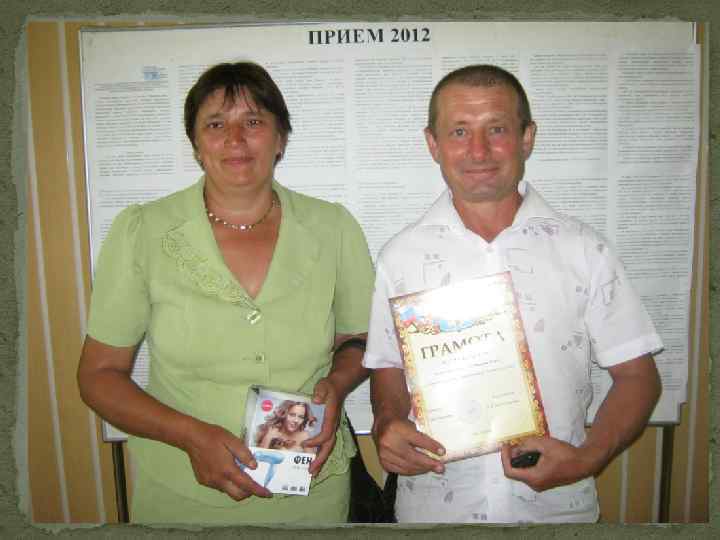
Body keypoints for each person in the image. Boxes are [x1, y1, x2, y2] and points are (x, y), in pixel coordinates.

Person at [363, 64, 663, 523]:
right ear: (433, 144)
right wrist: (387, 419)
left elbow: (639, 377)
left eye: (497, 129)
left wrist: (588, 458)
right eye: (459, 131)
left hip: (557, 512)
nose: (478, 150)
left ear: (527, 138)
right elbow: (388, 366)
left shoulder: (584, 250)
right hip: (432, 510)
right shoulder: (399, 257)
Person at [77, 62, 374, 524]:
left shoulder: (333, 227)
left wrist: (337, 384)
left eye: (253, 121)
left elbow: (360, 339)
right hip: (182, 491)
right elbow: (98, 376)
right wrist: (189, 436)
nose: (235, 139)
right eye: (216, 125)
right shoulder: (144, 231)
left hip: (310, 487)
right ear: (196, 145)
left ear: (280, 138)